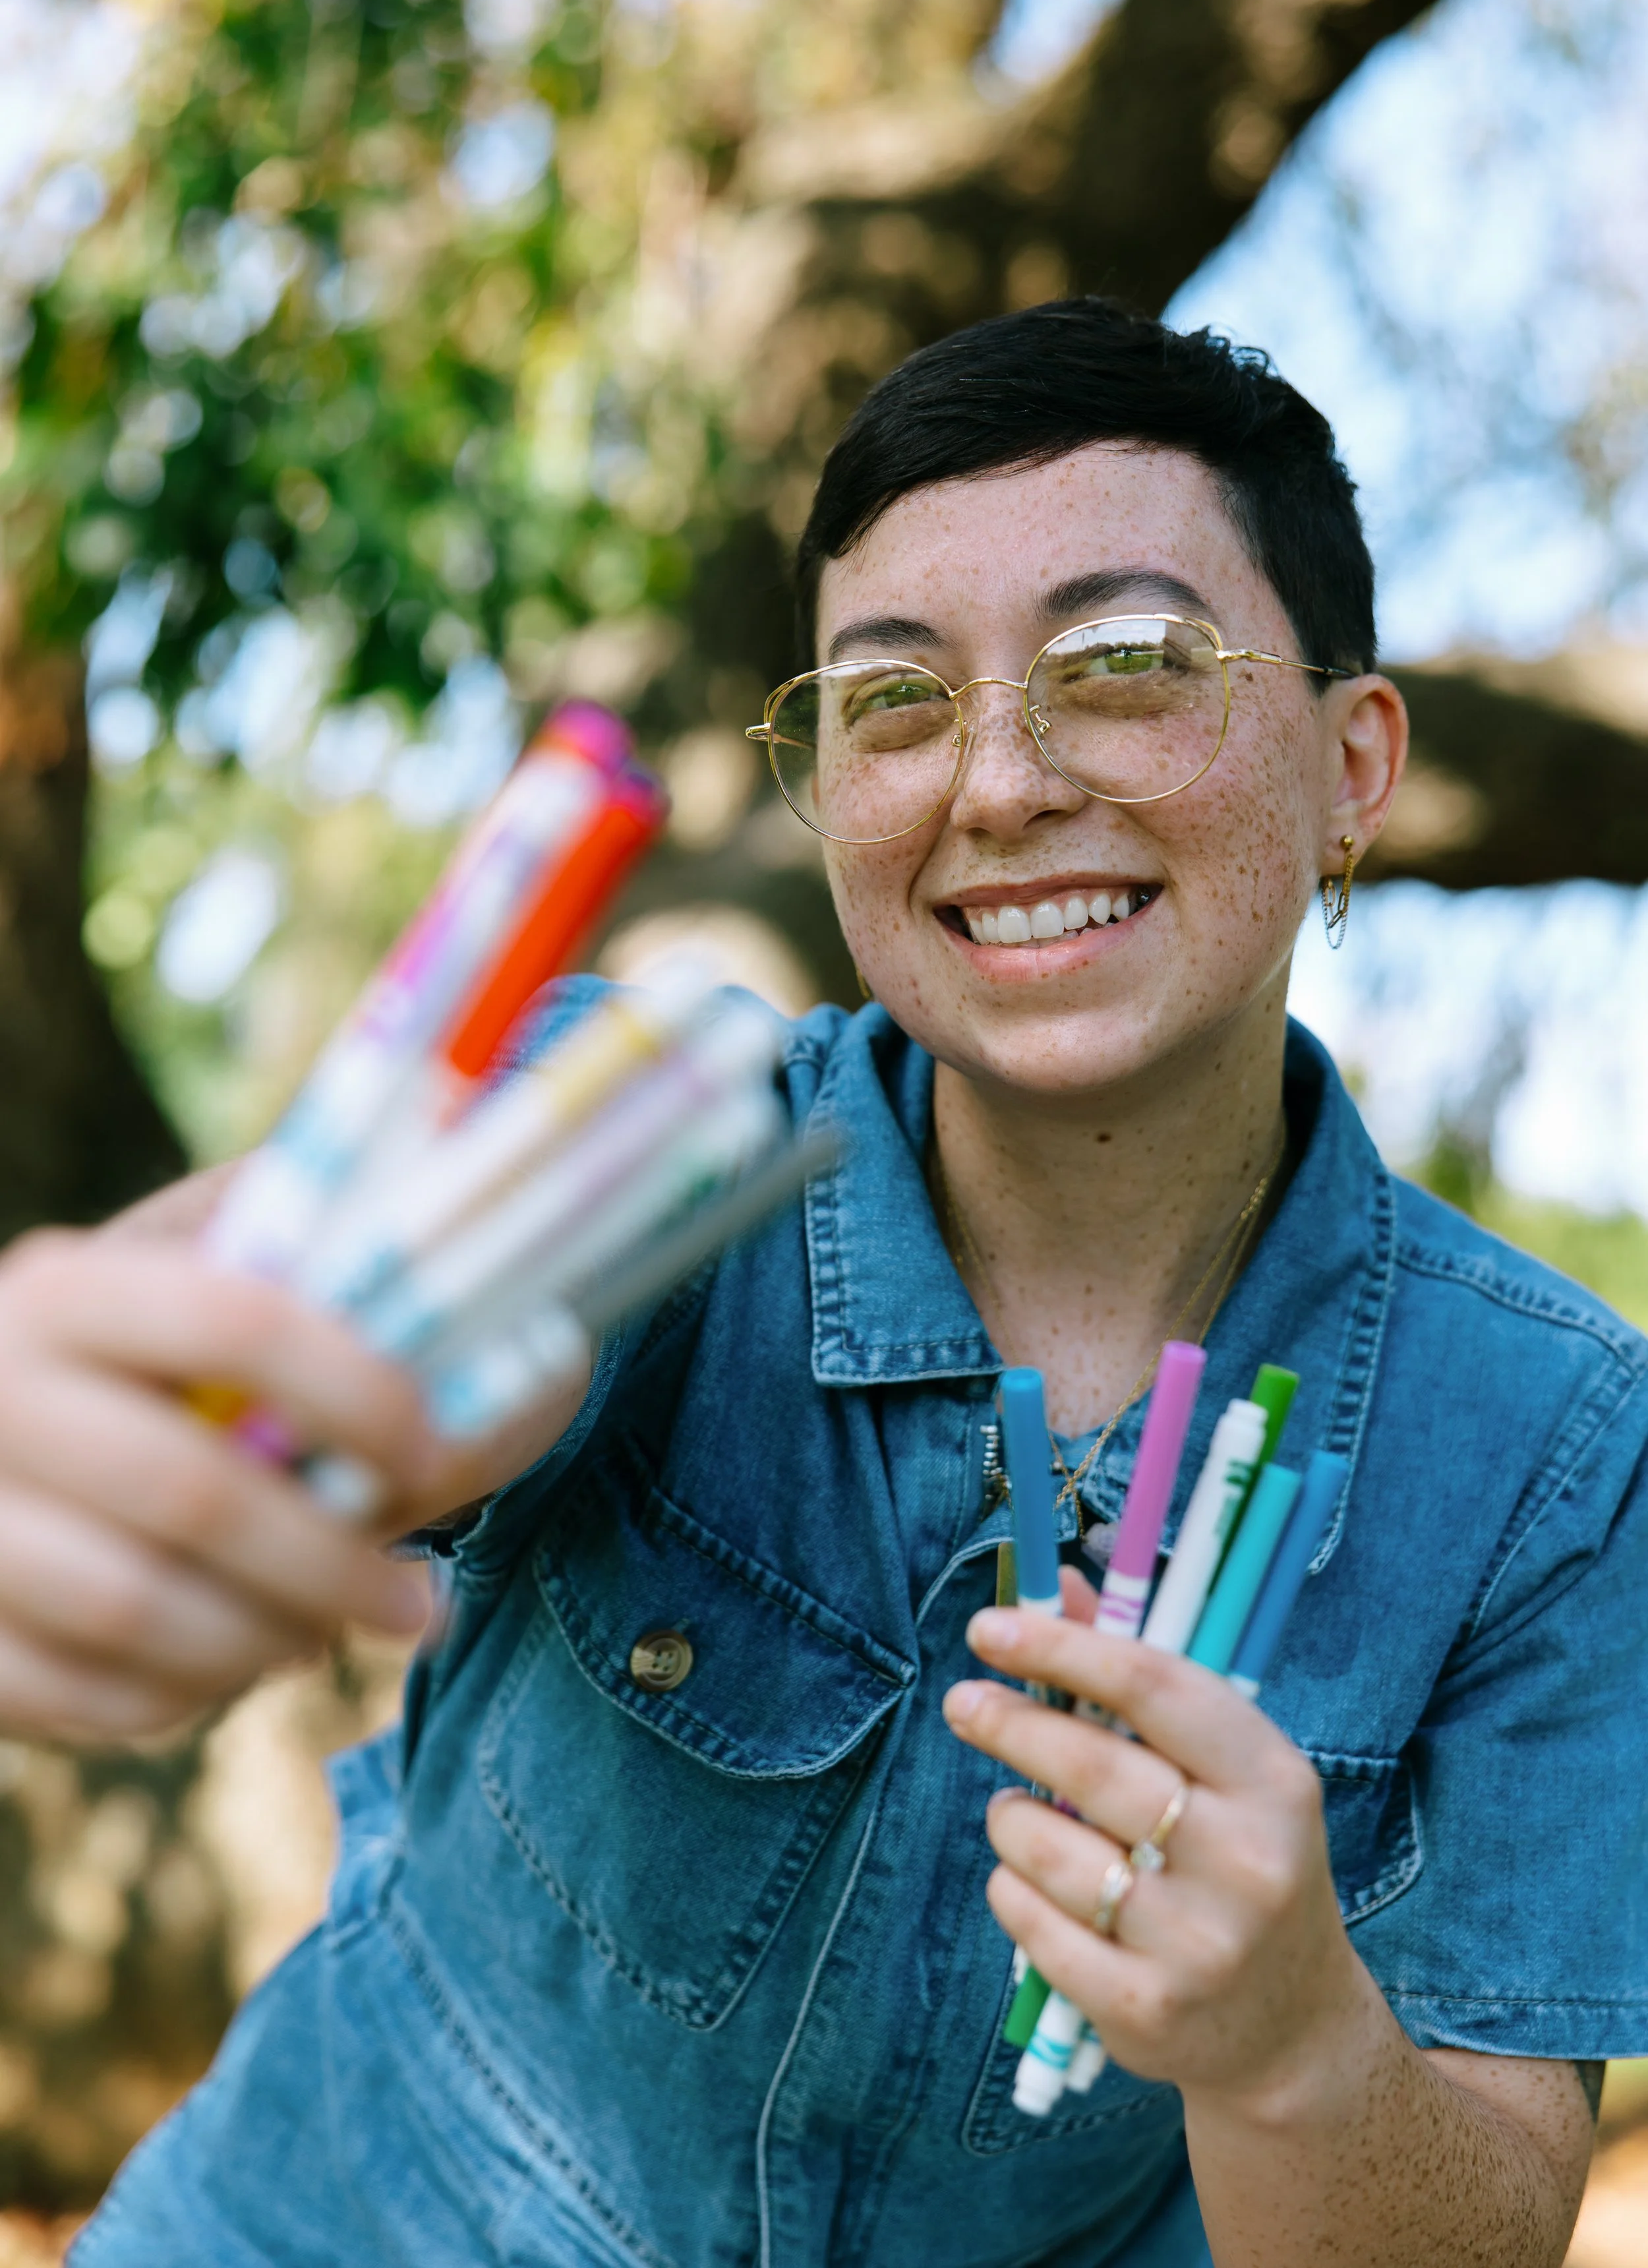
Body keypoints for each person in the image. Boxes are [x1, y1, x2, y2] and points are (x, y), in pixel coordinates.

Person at [0, 298, 1639, 2267]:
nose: (1000, 779)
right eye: (890, 699)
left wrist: (1287, 2040)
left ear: (1351, 766)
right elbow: (350, 1319)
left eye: (1122, 663)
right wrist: (148, 1386)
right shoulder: (641, 1132)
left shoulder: (1557, 1451)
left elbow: (1469, 2231)